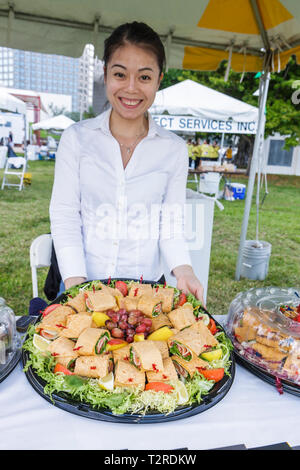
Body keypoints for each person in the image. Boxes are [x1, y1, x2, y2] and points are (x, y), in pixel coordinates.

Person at [49, 21, 205, 304]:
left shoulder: (173, 150)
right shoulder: (76, 139)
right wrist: (76, 286)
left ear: (158, 80)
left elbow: (170, 224)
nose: (131, 88)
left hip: (146, 295)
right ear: (106, 74)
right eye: (120, 74)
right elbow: (65, 216)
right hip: (82, 285)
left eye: (144, 77)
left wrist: (184, 270)